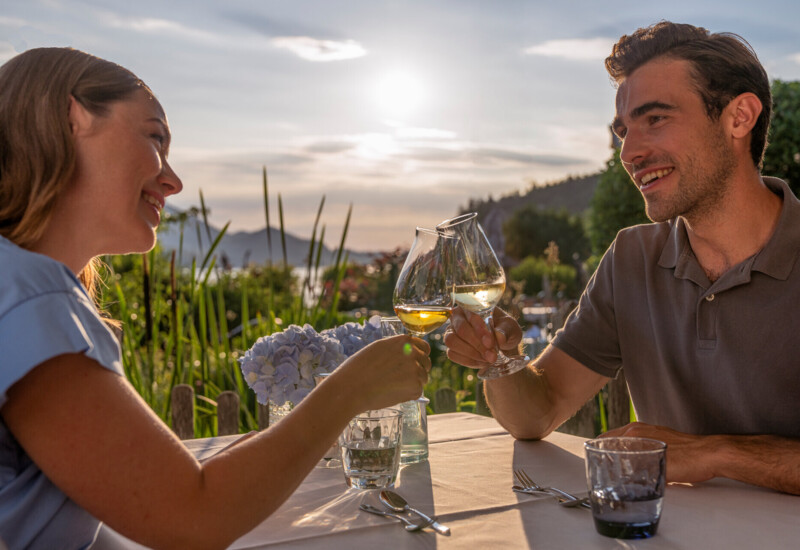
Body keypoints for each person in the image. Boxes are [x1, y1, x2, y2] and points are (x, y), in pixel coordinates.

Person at [0, 47, 431, 549]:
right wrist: (349, 390)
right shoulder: (31, 298)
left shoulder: (18, 283)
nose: (173, 179)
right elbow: (194, 517)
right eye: (155, 137)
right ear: (74, 118)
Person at [445, 21, 800, 496]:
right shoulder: (633, 258)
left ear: (739, 117)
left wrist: (716, 454)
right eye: (623, 130)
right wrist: (501, 361)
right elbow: (538, 413)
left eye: (656, 119)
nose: (628, 153)